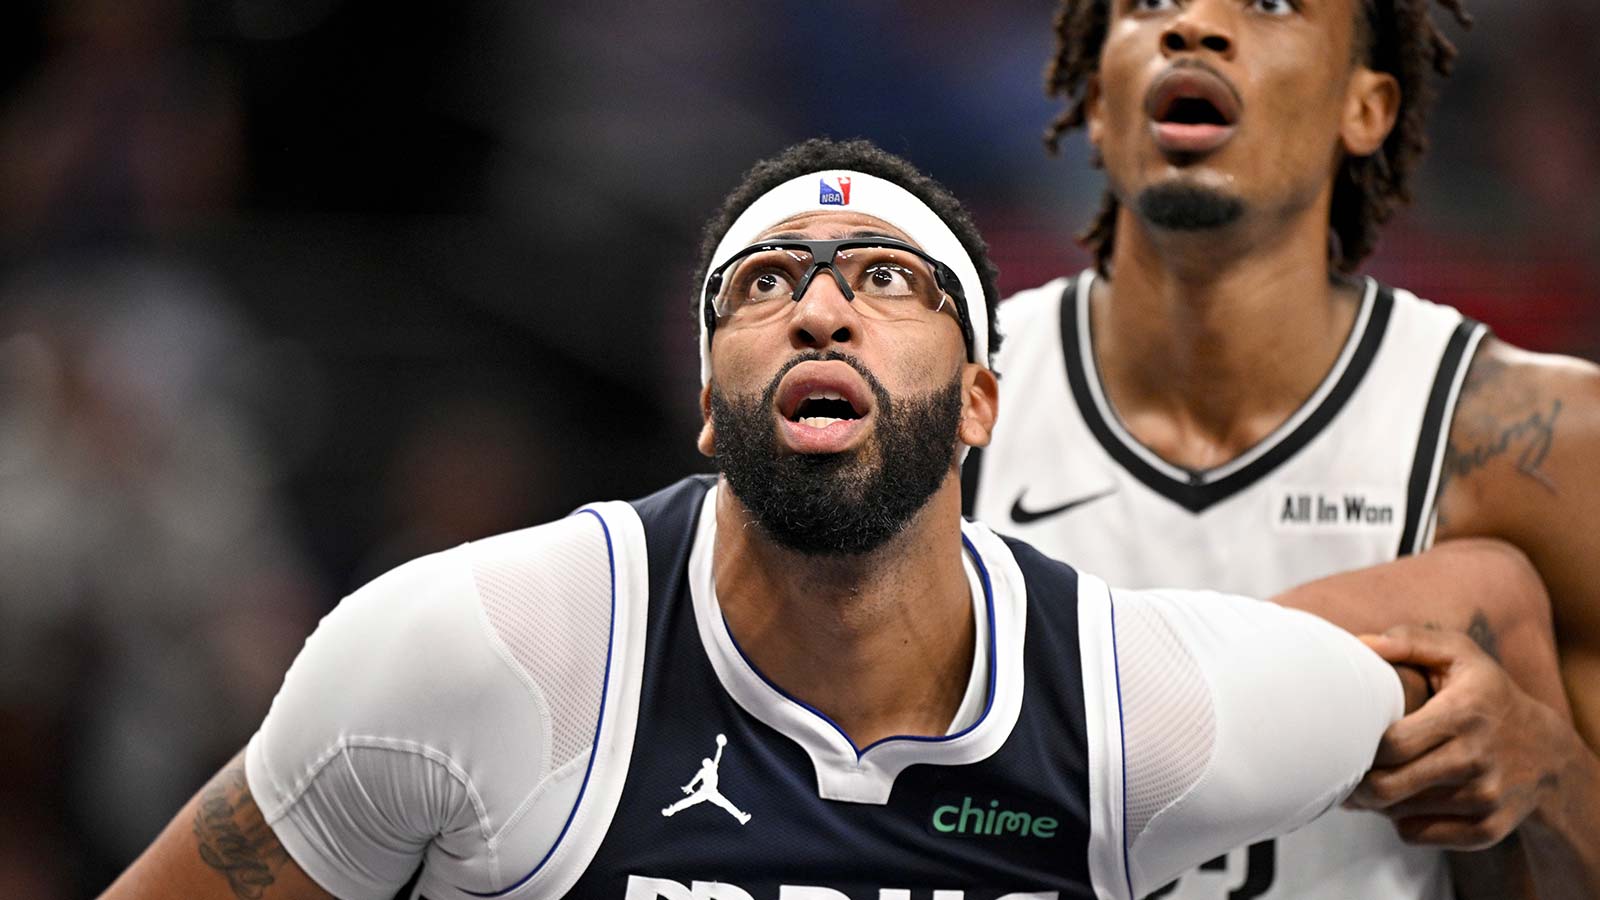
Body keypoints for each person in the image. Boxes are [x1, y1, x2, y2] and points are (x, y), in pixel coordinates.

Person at [102, 139, 1553, 900]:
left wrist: (1523, 740)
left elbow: (1486, 590)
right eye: (761, 284)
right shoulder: (475, 651)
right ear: (707, 406)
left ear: (981, 403)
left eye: (887, 278)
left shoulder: (1131, 707)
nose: (816, 301)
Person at [963, 1, 1600, 898]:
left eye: (1269, 4)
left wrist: (1553, 776)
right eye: (1149, 4)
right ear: (1097, 100)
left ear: (1366, 108)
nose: (1194, 27)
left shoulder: (1540, 441)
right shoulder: (934, 409)